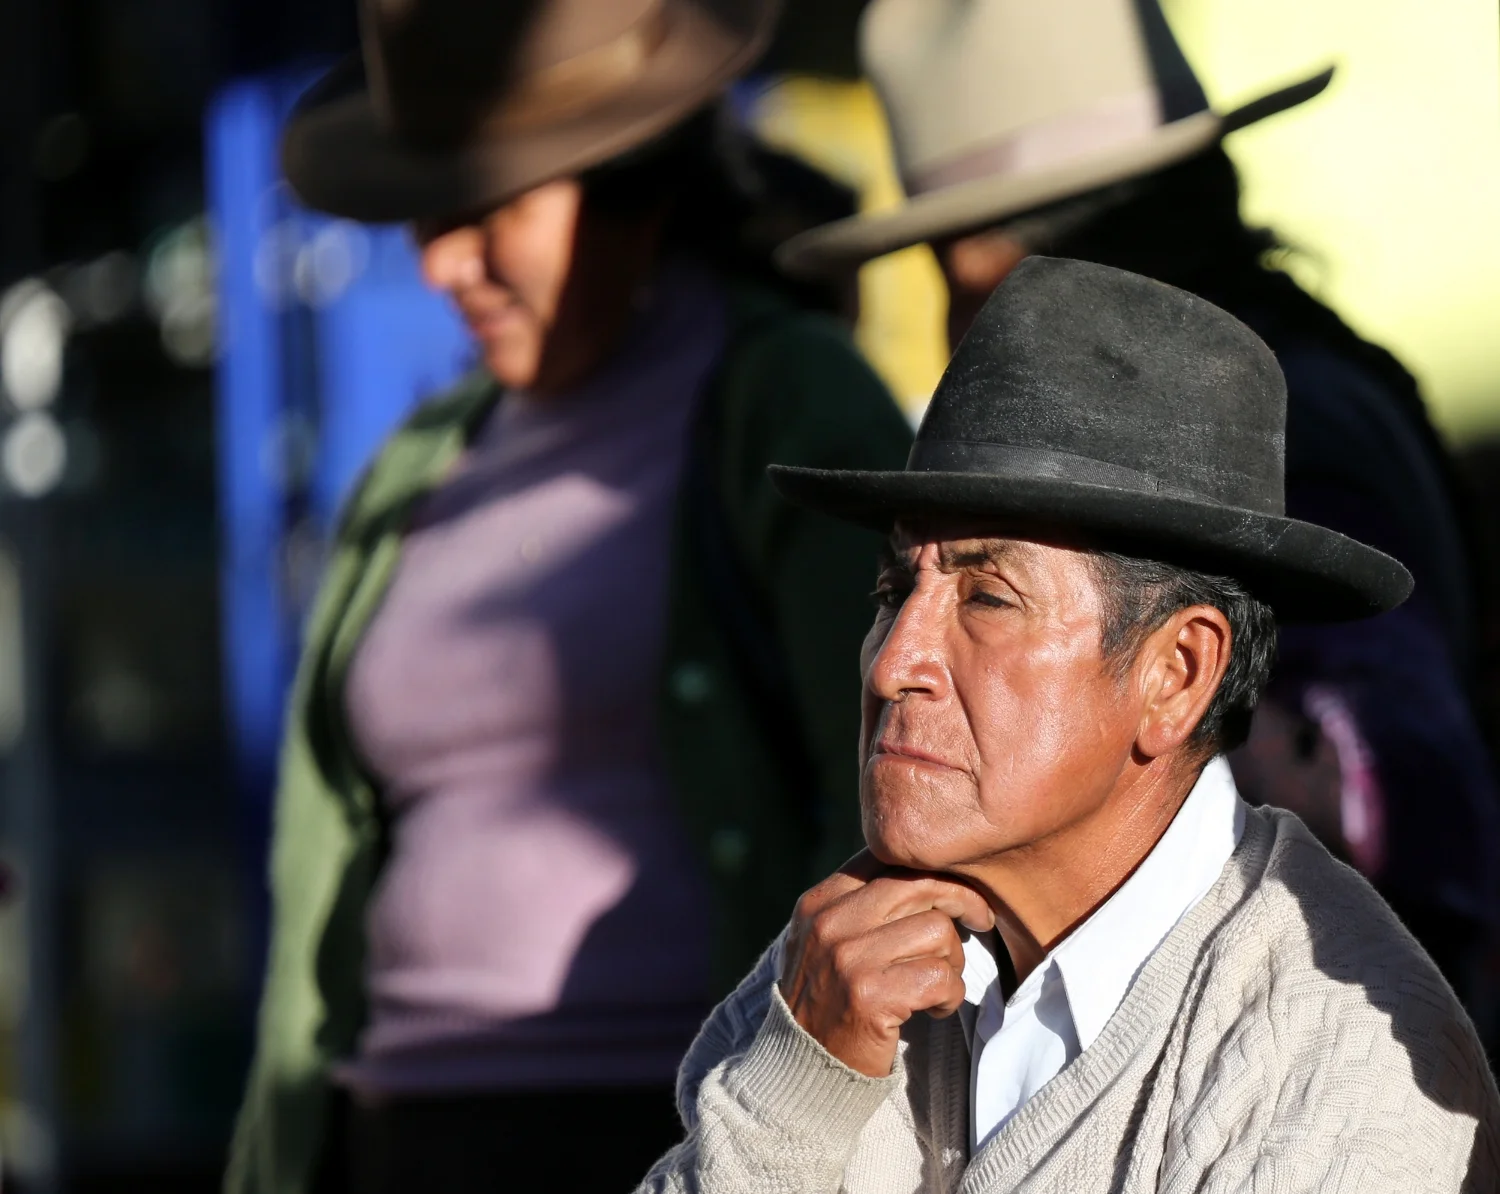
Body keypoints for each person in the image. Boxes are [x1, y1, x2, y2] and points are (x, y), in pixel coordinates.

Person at [224, 1, 914, 1191]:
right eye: (427, 216)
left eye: (490, 210)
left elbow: (891, 793)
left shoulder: (785, 404)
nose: (441, 262)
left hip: (666, 1137)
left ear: (634, 185)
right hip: (393, 1133)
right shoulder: (419, 460)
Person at [638, 255, 1500, 1194]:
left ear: (1177, 675)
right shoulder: (843, 964)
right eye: (894, 591)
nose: (893, 663)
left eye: (989, 600)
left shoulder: (1335, 1058)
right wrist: (798, 1090)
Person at [777, 0, 1500, 1010]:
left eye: (968, 283)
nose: (956, 337)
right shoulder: (1312, 390)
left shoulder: (1296, 436)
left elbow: (1395, 798)